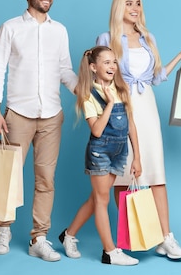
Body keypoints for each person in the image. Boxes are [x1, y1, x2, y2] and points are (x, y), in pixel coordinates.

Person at [0, 0, 77, 262]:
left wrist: (87, 92)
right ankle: (3, 230)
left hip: (52, 114)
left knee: (46, 180)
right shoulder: (10, 28)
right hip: (18, 114)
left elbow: (65, 70)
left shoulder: (59, 30)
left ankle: (39, 238)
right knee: (9, 177)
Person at [96, 0, 181, 259]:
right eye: (128, 3)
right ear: (118, 8)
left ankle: (166, 238)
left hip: (146, 107)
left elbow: (156, 77)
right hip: (119, 108)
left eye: (137, 3)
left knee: (156, 174)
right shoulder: (107, 38)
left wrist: (179, 57)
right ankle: (136, 235)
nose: (135, 7)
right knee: (123, 176)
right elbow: (101, 78)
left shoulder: (148, 37)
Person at [58, 46, 141, 266]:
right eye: (106, 62)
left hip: (120, 152)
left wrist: (137, 157)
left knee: (96, 198)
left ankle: (68, 235)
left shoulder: (121, 88)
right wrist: (110, 103)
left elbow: (131, 125)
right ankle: (110, 252)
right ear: (94, 67)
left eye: (114, 62)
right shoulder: (88, 94)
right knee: (102, 200)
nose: (112, 66)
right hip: (100, 152)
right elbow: (96, 130)